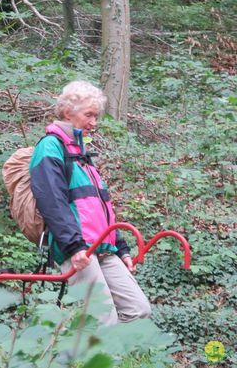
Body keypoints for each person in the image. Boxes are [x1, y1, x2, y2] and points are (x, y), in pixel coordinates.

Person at [30, 80, 151, 325]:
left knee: (138, 310)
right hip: (79, 249)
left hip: (104, 248)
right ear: (68, 112)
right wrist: (74, 248)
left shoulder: (81, 152)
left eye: (96, 116)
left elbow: (100, 207)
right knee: (103, 320)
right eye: (89, 115)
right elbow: (52, 203)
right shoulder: (50, 147)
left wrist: (122, 247)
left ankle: (91, 352)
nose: (94, 123)